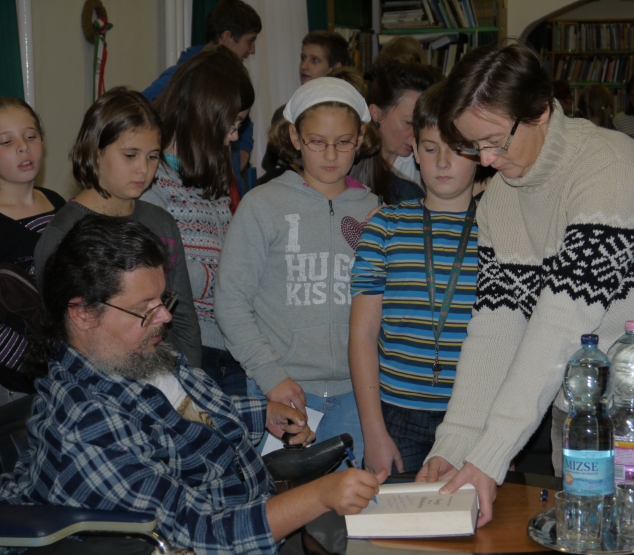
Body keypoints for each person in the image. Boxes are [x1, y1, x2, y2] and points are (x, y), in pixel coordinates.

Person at [414, 42, 634, 545]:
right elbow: (495, 328)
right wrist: (454, 444)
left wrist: (490, 456)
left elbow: (562, 324)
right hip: (585, 416)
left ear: (540, 111)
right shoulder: (500, 199)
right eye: (474, 147)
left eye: (495, 141)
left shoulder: (612, 170)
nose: (488, 161)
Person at [0, 214, 386, 555]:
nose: (163, 317)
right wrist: (318, 496)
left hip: (250, 509)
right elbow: (201, 532)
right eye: (144, 309)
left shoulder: (133, 355)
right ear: (83, 314)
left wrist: (258, 413)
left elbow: (182, 412)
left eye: (162, 300)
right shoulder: (83, 426)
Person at [215, 78, 379, 459]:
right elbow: (231, 301)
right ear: (295, 137)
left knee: (350, 496)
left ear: (360, 138)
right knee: (283, 495)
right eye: (316, 141)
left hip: (357, 396)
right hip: (281, 391)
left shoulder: (374, 211)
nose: (330, 154)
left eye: (344, 142)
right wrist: (270, 375)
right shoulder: (262, 206)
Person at [349, 81, 480, 475]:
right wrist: (373, 433)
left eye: (457, 149)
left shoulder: (498, 233)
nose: (443, 162)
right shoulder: (385, 226)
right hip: (396, 415)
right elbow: (362, 335)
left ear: (479, 152)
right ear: (416, 152)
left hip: (473, 419)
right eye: (430, 148)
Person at [34, 87, 201, 371]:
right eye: (130, 155)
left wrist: (190, 380)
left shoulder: (162, 222)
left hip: (163, 372)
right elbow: (59, 336)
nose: (143, 169)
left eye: (152, 157)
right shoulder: (62, 234)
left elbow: (183, 316)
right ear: (95, 152)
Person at [140, 46, 251, 397]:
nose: (234, 136)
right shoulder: (151, 180)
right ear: (204, 113)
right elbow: (163, 272)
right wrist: (231, 279)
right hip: (185, 347)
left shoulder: (210, 173)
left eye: (239, 125)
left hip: (228, 344)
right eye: (231, 124)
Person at [142, 0, 262, 199]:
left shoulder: (232, 80)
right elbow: (138, 112)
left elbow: (245, 122)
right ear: (227, 37)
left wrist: (242, 152)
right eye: (249, 41)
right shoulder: (185, 75)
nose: (252, 50)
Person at [0, 96, 64, 407]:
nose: (23, 147)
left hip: (75, 368)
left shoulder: (58, 204)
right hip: (23, 384)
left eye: (30, 136)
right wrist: (46, 367)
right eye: (6, 141)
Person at [351, 60, 442, 204]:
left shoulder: (428, 164)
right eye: (409, 123)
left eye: (421, 125)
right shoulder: (349, 159)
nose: (417, 135)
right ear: (376, 113)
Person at [261, 30, 350, 174]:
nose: (304, 66)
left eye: (315, 60)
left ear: (335, 68)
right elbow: (272, 171)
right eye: (303, 58)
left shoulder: (349, 116)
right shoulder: (284, 114)